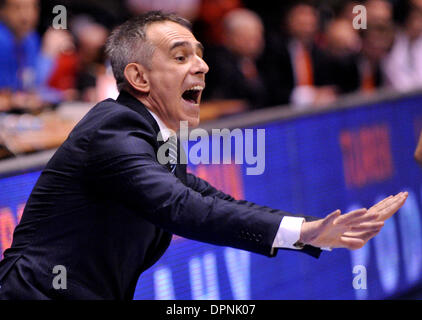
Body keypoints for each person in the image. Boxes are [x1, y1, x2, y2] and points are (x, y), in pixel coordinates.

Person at [0, 11, 408, 300]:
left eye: (199, 53)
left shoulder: (156, 135)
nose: (202, 66)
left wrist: (306, 230)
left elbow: (210, 199)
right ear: (138, 77)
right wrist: (303, 232)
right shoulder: (114, 130)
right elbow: (182, 206)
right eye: (180, 57)